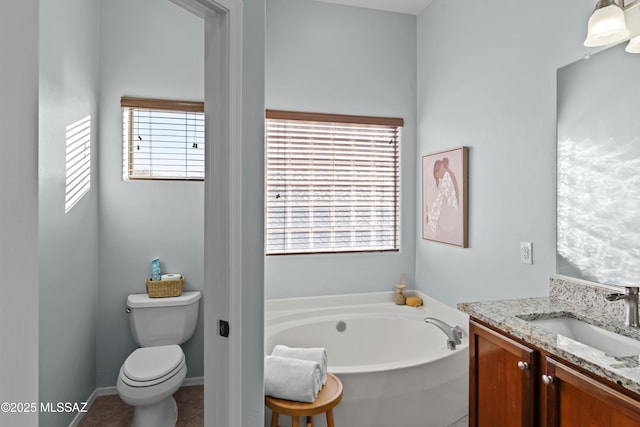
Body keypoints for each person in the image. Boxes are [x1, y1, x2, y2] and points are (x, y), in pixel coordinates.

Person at [425, 157, 460, 234]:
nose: (439, 178)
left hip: (451, 213)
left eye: (438, 175)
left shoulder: (449, 176)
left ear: (441, 167)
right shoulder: (448, 175)